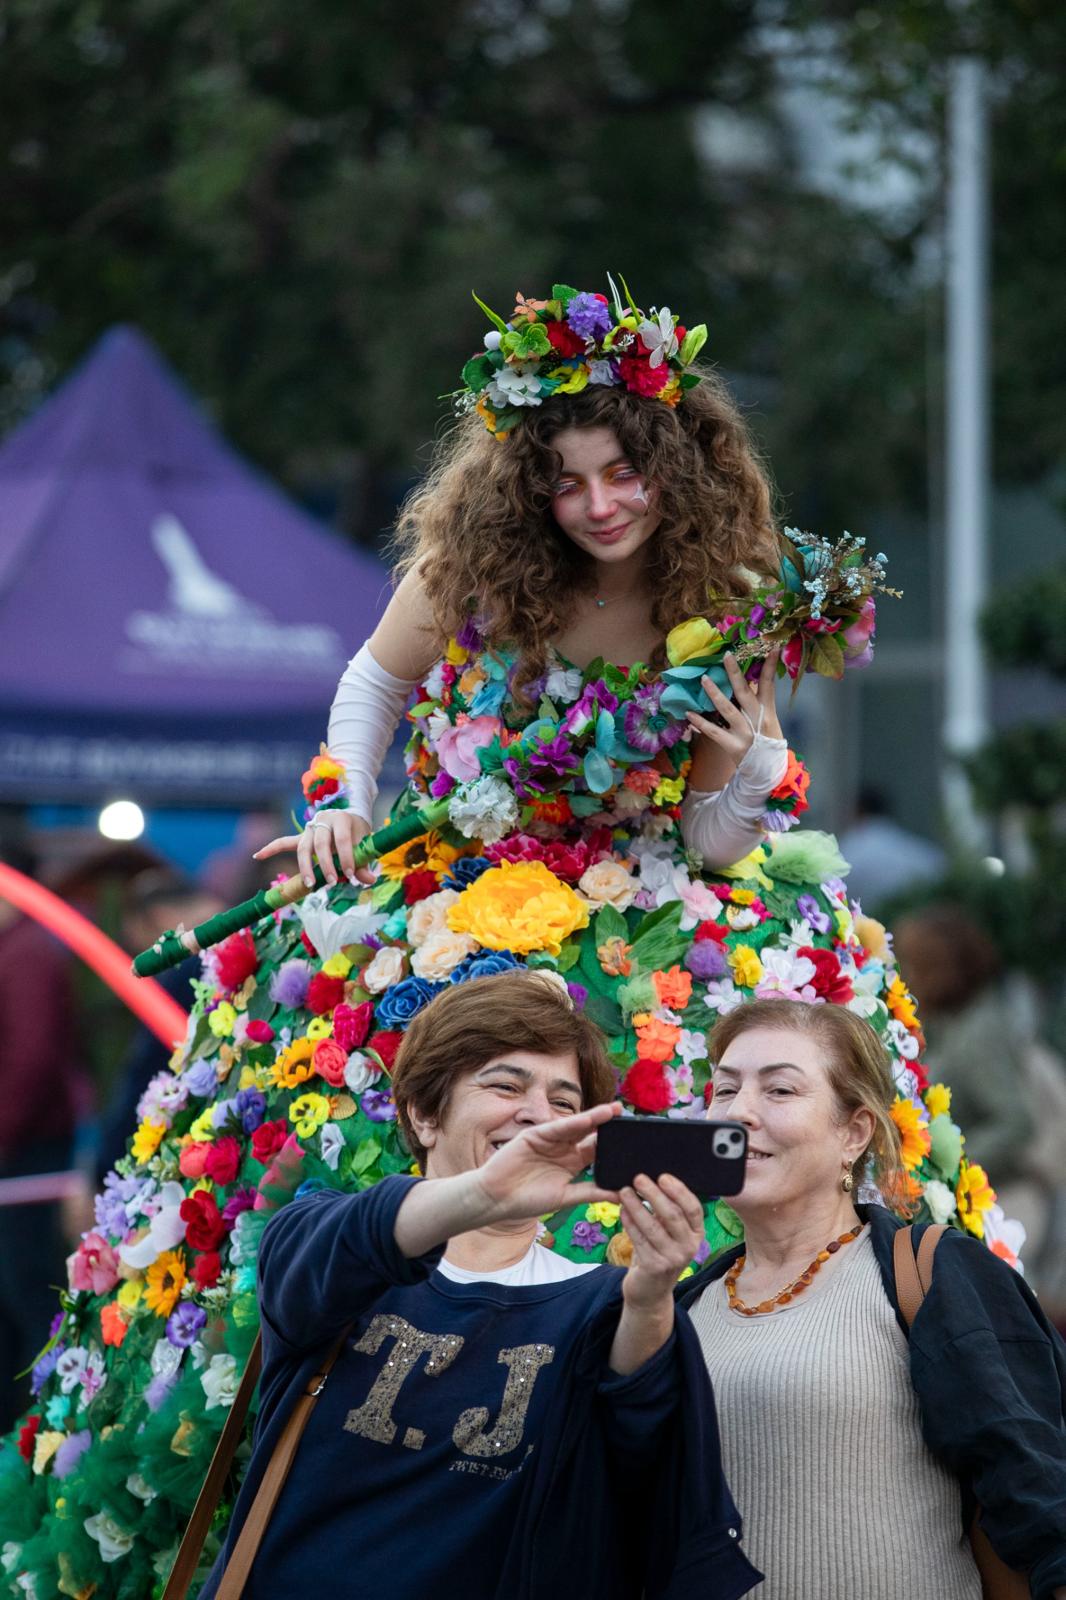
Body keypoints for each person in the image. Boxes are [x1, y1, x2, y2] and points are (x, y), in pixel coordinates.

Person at [0, 281, 991, 1597]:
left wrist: (744, 771)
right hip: (455, 898)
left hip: (668, 904)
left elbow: (713, 844)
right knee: (325, 1142)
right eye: (569, 478)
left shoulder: (738, 603)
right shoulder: (468, 569)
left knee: (764, 1103)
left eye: (621, 472)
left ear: (677, 465)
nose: (597, 503)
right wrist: (343, 799)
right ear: (528, 479)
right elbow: (373, 682)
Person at [199, 972, 760, 1600]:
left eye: (564, 1103)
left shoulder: (604, 1300)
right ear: (424, 1113)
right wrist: (484, 1194)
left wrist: (655, 1287)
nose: (535, 1114)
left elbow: (642, 1437)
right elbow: (349, 1239)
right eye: (504, 1085)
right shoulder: (328, 1247)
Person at [678, 997, 1066, 1600]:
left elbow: (1040, 1494)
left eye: (779, 1090)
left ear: (853, 1133)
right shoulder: (681, 1307)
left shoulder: (931, 1273)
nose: (739, 1113)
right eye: (724, 1091)